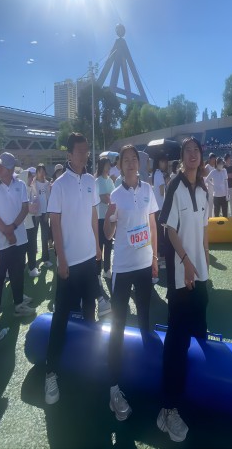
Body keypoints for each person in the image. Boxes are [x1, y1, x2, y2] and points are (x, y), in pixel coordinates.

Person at [44, 133, 110, 405]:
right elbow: (55, 223)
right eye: (80, 151)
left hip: (88, 259)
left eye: (86, 151)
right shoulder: (60, 185)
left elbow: (94, 216)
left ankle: (88, 361)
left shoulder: (91, 181)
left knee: (90, 312)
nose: (85, 155)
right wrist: (61, 259)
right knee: (61, 316)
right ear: (69, 155)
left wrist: (98, 247)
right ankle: (50, 373)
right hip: (69, 263)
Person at [157, 137, 210, 442]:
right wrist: (187, 262)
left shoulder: (203, 189)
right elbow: (169, 230)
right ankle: (167, 409)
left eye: (196, 150)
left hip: (200, 275)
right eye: (188, 150)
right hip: (180, 278)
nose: (193, 154)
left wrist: (204, 263)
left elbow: (203, 231)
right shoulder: (175, 186)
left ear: (201, 156)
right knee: (176, 341)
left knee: (200, 331)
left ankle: (196, 391)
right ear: (182, 157)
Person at [103, 145, 158, 421]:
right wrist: (110, 218)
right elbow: (107, 233)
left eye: (134, 159)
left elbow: (152, 225)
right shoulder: (115, 195)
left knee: (146, 318)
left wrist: (155, 258)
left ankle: (148, 374)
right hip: (123, 268)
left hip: (145, 265)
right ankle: (114, 387)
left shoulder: (148, 190)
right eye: (125, 160)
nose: (130, 163)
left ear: (139, 163)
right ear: (120, 166)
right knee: (118, 325)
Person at [0, 153, 36, 317]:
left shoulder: (20, 185)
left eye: (2, 166)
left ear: (11, 168)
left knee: (18, 273)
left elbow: (25, 208)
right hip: (0, 242)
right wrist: (8, 233)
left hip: (19, 239)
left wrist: (12, 228)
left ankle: (19, 304)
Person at [96, 157, 115, 279]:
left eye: (109, 165)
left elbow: (112, 198)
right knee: (99, 246)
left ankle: (107, 270)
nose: (109, 167)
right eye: (107, 165)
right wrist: (107, 197)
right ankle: (97, 272)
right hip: (100, 218)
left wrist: (107, 197)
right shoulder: (97, 181)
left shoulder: (110, 181)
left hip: (110, 217)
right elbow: (104, 198)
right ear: (102, 166)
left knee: (108, 244)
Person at [151, 154, 169, 271]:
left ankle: (158, 257)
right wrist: (167, 183)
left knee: (158, 233)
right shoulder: (159, 174)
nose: (165, 164)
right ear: (159, 162)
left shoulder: (156, 173)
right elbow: (162, 192)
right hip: (160, 207)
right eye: (163, 162)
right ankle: (161, 258)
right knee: (161, 234)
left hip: (157, 207)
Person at [33, 164, 53, 267]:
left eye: (43, 171)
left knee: (44, 236)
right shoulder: (33, 183)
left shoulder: (47, 184)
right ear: (36, 173)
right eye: (39, 171)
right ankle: (32, 260)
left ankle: (45, 258)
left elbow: (49, 198)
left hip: (44, 213)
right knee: (33, 236)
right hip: (35, 213)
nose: (41, 173)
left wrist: (48, 213)